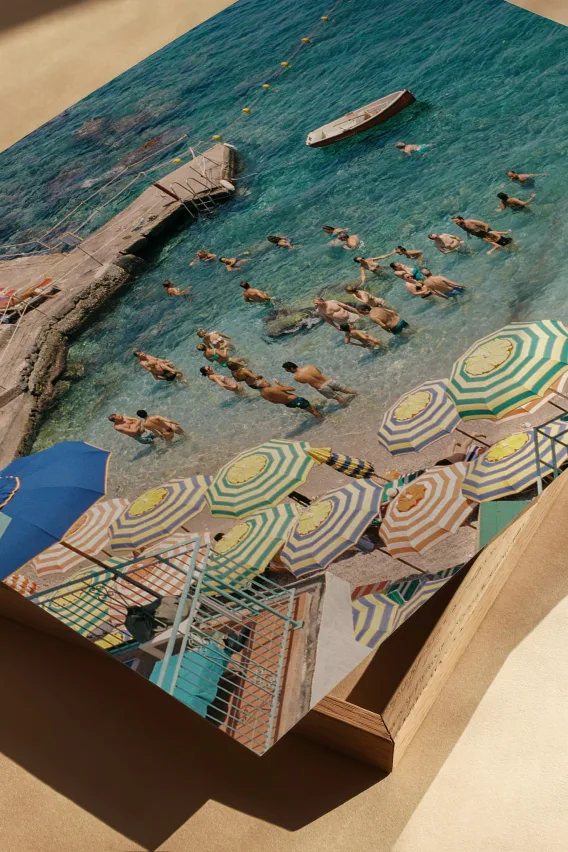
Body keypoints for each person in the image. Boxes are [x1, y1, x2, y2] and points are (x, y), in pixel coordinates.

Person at [282, 362, 357, 406]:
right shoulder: (310, 366)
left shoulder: (297, 377)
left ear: (291, 368)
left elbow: (304, 382)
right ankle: (358, 395)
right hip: (329, 381)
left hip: (321, 387)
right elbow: (319, 372)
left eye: (287, 370)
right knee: (347, 390)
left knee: (338, 397)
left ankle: (347, 407)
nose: (288, 372)